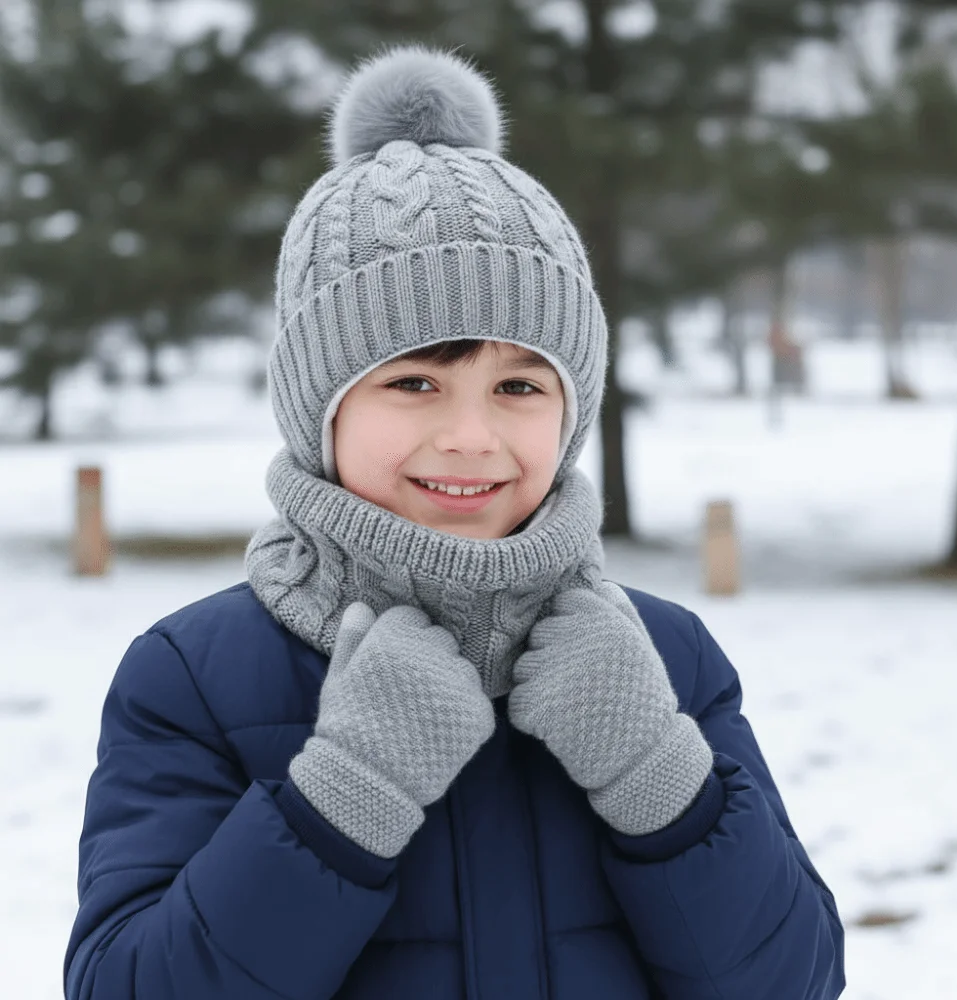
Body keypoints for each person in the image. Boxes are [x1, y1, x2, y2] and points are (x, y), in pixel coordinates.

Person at [64, 43, 846, 1000]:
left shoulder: (667, 657)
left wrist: (657, 777)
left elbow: (795, 980)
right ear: (320, 410)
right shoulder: (195, 677)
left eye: (519, 386)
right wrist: (345, 795)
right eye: (414, 382)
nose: (472, 437)